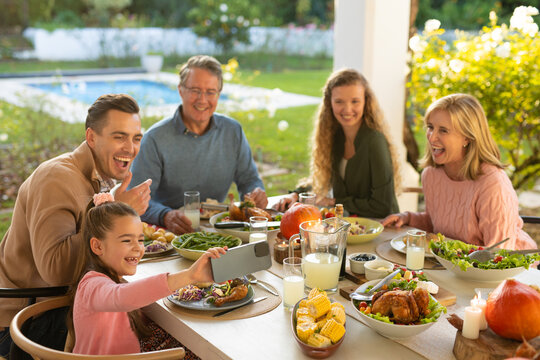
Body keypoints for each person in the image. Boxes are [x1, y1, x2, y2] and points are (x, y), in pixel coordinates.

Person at [0, 94, 153, 357]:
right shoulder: (56, 179)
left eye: (136, 138)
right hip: (30, 319)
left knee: (151, 320)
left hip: (64, 305)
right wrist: (115, 214)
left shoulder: (96, 177)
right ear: (91, 137)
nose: (130, 147)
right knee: (158, 334)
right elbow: (55, 271)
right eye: (119, 136)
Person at [69, 194, 225, 355]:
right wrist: (189, 276)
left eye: (141, 240)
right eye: (127, 241)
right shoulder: (91, 285)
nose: (138, 248)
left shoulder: (110, 279)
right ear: (97, 246)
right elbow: (121, 297)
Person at [130, 55, 267, 235]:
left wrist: (256, 193)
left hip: (219, 232)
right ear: (181, 90)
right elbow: (135, 200)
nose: (202, 100)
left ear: (219, 94)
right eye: (195, 90)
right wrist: (165, 215)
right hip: (167, 234)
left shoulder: (232, 131)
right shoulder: (155, 139)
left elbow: (249, 180)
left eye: (211, 92)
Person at [382, 94, 536, 250]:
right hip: (455, 267)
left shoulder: (493, 184)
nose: (432, 137)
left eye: (443, 130)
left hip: (512, 269)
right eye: (430, 127)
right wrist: (407, 218)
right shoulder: (431, 175)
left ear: (467, 138)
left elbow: (499, 253)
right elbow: (438, 224)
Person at [275, 68, 400, 218]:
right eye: (339, 101)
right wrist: (296, 195)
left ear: (366, 101)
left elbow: (382, 206)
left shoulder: (375, 142)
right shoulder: (333, 137)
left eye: (355, 101)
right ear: (329, 103)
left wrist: (334, 202)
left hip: (384, 229)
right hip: (351, 227)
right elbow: (321, 177)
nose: (347, 109)